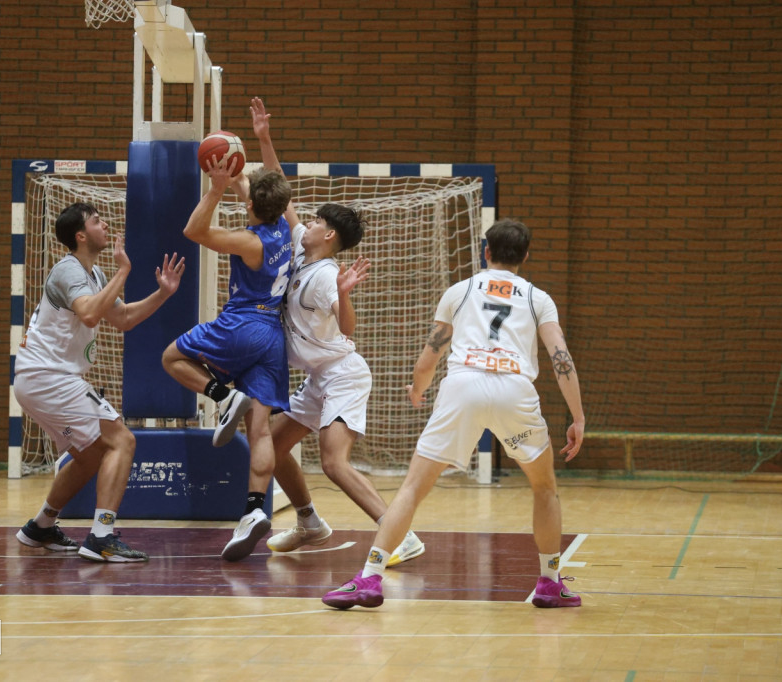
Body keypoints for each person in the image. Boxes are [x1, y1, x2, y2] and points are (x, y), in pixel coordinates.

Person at [322, 218, 586, 609]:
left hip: (463, 387)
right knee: (544, 488)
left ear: (486, 252)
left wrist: (418, 389)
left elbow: (431, 354)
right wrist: (577, 417)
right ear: (525, 257)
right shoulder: (538, 298)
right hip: (515, 390)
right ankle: (549, 583)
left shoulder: (460, 291)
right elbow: (560, 357)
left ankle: (371, 577)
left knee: (412, 488)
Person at [242, 98, 424, 567]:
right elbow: (281, 193)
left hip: (343, 372)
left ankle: (399, 533)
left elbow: (348, 328)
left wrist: (345, 293)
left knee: (332, 462)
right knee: (274, 447)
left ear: (328, 237)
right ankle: (309, 522)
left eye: (318, 221)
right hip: (318, 377)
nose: (307, 221)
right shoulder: (303, 250)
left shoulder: (325, 275)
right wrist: (263, 139)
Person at [13, 202, 184, 563]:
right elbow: (90, 314)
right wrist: (124, 270)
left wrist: (163, 294)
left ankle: (41, 526)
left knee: (90, 456)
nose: (105, 224)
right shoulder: (67, 270)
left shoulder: (93, 276)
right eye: (96, 221)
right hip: (49, 377)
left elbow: (122, 318)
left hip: (44, 379)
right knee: (122, 439)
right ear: (80, 235)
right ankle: (101, 536)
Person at [161, 106, 293, 562]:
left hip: (243, 324)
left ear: (252, 205)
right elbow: (273, 180)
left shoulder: (250, 241)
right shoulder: (287, 228)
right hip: (274, 337)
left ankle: (221, 395)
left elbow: (193, 230)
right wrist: (262, 140)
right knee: (261, 431)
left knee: (171, 358)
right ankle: (255, 509)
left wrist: (216, 188)